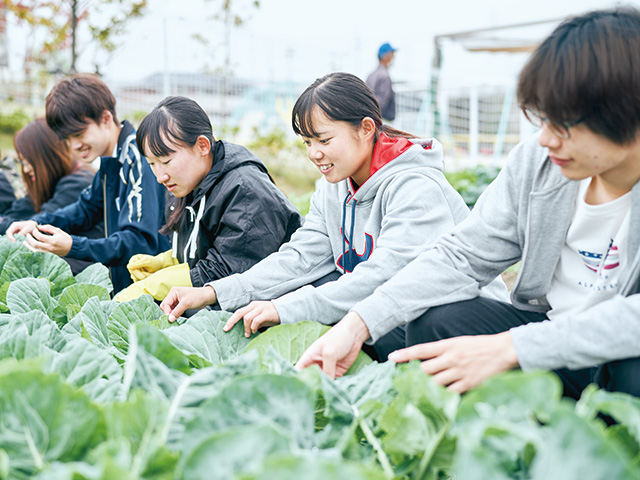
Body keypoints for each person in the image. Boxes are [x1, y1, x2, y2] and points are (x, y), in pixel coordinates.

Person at [296, 7, 640, 399]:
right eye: (542, 119)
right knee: (434, 321)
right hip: (553, 342)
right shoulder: (538, 163)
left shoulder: (412, 182)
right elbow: (462, 254)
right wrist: (357, 323)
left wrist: (513, 349)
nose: (545, 139)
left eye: (562, 124)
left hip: (615, 349)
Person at [159, 72, 508, 360]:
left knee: (330, 311)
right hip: (387, 311)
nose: (314, 153)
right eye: (307, 142)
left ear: (366, 129)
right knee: (307, 294)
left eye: (323, 139)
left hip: (458, 320)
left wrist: (286, 309)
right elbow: (299, 258)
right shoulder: (334, 186)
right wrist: (212, 292)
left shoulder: (416, 188)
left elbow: (382, 278)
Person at [113, 95, 303, 302]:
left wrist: (160, 284)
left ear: (203, 146)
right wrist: (166, 262)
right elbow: (205, 247)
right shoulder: (187, 184)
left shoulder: (244, 190)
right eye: (152, 164)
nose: (160, 176)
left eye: (166, 161)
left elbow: (233, 272)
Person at [5, 74, 169, 293]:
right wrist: (36, 224)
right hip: (135, 291)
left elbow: (141, 242)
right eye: (67, 139)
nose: (74, 145)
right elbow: (85, 210)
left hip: (158, 293)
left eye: (79, 133)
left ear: (106, 118)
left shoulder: (137, 156)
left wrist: (73, 247)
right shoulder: (111, 161)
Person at [0, 118, 103, 273]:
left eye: (29, 162)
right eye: (23, 163)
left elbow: (39, 229)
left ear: (46, 157)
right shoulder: (50, 184)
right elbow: (17, 214)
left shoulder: (78, 183)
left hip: (83, 272)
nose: (26, 170)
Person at [366, 43, 397, 122]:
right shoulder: (385, 76)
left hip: (370, 116)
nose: (393, 59)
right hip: (382, 119)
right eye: (392, 56)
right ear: (386, 57)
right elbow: (383, 101)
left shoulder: (371, 75)